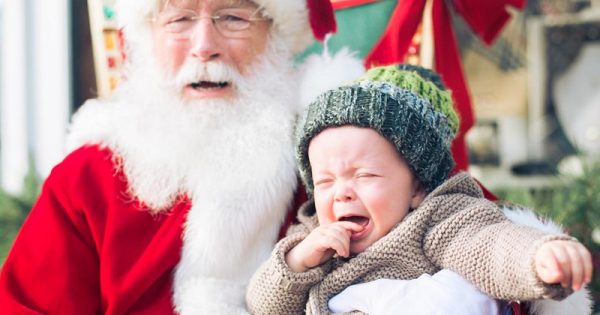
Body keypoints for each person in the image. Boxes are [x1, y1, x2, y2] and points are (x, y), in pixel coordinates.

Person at [0, 0, 341, 314]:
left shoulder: (334, 167)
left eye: (233, 18)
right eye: (179, 19)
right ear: (147, 39)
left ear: (275, 36)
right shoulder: (87, 176)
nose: (204, 46)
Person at [246, 65, 593, 315]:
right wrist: (299, 261)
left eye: (364, 175)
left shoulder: (438, 220)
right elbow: (262, 304)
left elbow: (489, 246)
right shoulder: (312, 239)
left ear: (417, 186)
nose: (341, 193)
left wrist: (537, 258)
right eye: (324, 181)